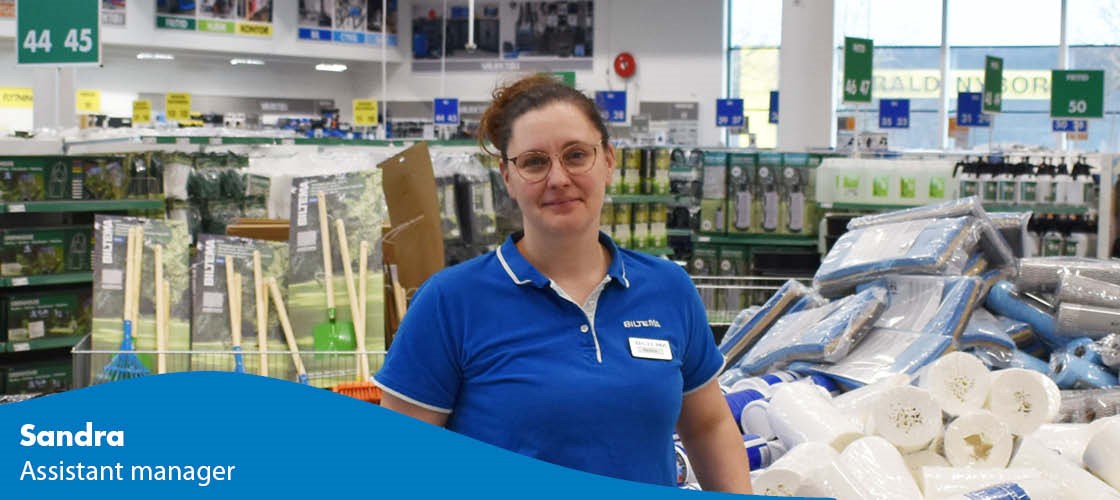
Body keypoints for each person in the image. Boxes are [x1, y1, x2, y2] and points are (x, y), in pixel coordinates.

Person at [374, 74, 752, 493]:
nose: (558, 179)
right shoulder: (450, 302)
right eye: (535, 162)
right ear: (508, 178)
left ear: (608, 161)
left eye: (576, 155)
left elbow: (709, 426)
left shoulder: (668, 288)